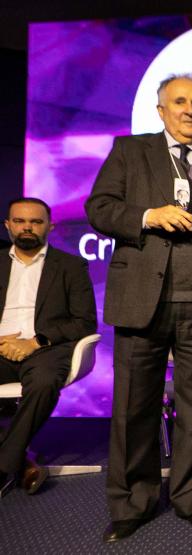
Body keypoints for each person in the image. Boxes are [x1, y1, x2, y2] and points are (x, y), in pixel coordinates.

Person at [86, 74, 192, 542]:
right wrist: (148, 216)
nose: (189, 110)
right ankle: (131, 503)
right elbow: (99, 208)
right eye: (179, 102)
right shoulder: (130, 152)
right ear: (161, 110)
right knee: (133, 406)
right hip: (143, 298)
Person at [0, 198, 96, 496]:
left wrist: (34, 342)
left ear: (50, 226)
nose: (27, 227)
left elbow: (85, 322)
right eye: (19, 221)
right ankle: (20, 460)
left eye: (36, 221)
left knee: (43, 381)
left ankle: (3, 466)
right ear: (8, 225)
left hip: (44, 349)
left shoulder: (70, 265)